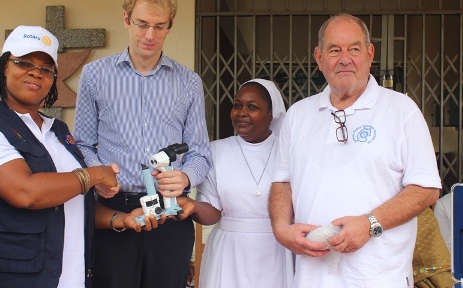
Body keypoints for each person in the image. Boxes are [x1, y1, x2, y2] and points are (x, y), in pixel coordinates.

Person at [268, 14, 441, 287]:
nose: (345, 58)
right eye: (334, 50)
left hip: (379, 277)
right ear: (319, 56)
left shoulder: (401, 110)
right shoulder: (298, 114)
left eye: (354, 49)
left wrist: (369, 224)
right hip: (311, 277)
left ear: (370, 53)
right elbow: (282, 181)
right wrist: (280, 229)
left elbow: (426, 188)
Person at [0, 25, 146, 287]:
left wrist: (121, 219)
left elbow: (71, 203)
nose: (36, 72)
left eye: (46, 69)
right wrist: (95, 174)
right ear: (4, 67)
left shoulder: (58, 131)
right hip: (20, 279)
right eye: (24, 63)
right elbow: (26, 193)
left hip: (75, 277)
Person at [73, 0, 212, 288]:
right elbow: (82, 143)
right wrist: (100, 174)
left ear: (170, 26)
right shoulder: (95, 75)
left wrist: (186, 177)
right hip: (114, 211)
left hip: (170, 213)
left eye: (160, 26)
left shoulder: (188, 82)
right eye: (142, 24)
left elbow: (200, 152)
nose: (150, 36)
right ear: (126, 19)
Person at [176, 79, 292, 287]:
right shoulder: (215, 151)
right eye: (237, 105)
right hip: (229, 252)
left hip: (277, 248)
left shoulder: (289, 152)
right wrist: (193, 206)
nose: (241, 113)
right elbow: (213, 212)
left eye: (252, 107)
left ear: (271, 114)